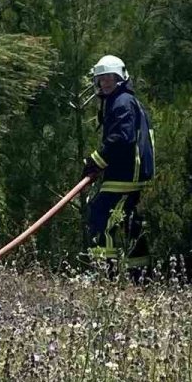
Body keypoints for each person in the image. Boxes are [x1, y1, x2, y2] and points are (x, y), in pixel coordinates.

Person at [82, 55, 155, 275]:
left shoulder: (122, 102)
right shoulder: (127, 102)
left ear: (120, 78)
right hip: (136, 175)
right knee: (133, 226)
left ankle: (103, 273)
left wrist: (96, 160)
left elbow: (122, 138)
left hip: (124, 176)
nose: (105, 83)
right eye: (101, 79)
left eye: (110, 78)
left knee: (100, 216)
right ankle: (140, 277)